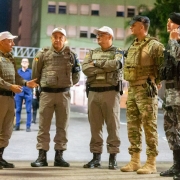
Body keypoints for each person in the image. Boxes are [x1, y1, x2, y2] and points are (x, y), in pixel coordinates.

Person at [120, 16, 164, 174]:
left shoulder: (155, 45)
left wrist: (155, 82)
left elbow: (162, 68)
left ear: (142, 26)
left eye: (134, 25)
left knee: (149, 126)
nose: (130, 26)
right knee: (132, 126)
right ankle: (135, 161)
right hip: (132, 89)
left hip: (146, 90)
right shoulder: (134, 45)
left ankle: (151, 163)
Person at [31, 27, 81, 167]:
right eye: (55, 37)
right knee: (43, 126)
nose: (57, 39)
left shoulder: (71, 54)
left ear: (65, 39)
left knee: (62, 126)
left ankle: (59, 156)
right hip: (46, 94)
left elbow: (77, 74)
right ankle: (42, 156)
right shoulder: (42, 53)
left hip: (63, 95)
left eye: (60, 37)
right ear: (51, 38)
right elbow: (35, 74)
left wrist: (69, 84)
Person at [82, 26, 123, 169]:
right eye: (97, 35)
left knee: (113, 126)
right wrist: (105, 69)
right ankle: (96, 157)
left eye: (101, 34)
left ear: (110, 37)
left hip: (110, 92)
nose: (98, 37)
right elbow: (85, 69)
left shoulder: (117, 52)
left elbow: (117, 64)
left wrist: (97, 64)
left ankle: (113, 157)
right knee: (95, 126)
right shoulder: (92, 52)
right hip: (93, 92)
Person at [0, 31, 37, 169]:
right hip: (1, 96)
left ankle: (0, 157)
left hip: (10, 97)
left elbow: (16, 76)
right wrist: (11, 86)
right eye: (10, 41)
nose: (13, 44)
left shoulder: (10, 57)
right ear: (2, 42)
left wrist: (26, 83)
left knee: (7, 130)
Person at [158, 12, 180, 180]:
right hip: (171, 93)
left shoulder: (175, 42)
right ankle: (176, 164)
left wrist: (173, 40)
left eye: (170, 22)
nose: (168, 24)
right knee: (170, 129)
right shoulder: (171, 41)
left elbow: (177, 58)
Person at [14, 58, 32, 132]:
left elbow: (33, 82)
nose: (24, 63)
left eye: (26, 62)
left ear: (28, 64)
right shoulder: (18, 72)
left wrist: (34, 92)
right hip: (19, 93)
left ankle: (28, 126)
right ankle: (17, 125)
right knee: (18, 110)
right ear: (21, 63)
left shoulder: (31, 72)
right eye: (23, 62)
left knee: (28, 110)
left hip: (28, 92)